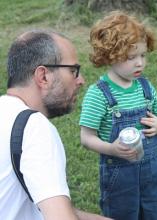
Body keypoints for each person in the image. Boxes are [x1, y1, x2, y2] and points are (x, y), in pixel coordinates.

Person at [0, 29, 112, 220]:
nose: (81, 80)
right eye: (73, 71)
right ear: (43, 76)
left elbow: (42, 207)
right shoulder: (33, 128)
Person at [79, 11, 157, 220]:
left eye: (143, 55)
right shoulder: (98, 94)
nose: (140, 63)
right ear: (109, 55)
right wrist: (111, 149)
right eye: (131, 57)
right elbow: (86, 137)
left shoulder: (145, 87)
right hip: (119, 176)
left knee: (154, 213)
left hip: (151, 173)